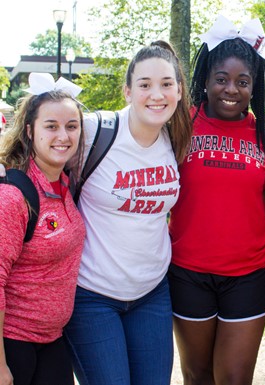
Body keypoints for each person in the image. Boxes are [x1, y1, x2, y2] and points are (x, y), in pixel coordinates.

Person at [63, 41, 192, 385]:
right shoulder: (94, 131)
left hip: (152, 293)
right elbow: (34, 140)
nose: (156, 94)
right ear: (127, 91)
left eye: (166, 84)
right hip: (92, 297)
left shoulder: (176, 136)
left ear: (179, 90)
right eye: (145, 85)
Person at [167, 16, 265, 385]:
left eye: (242, 82)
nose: (231, 89)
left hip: (250, 274)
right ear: (206, 80)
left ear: (254, 86)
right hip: (189, 272)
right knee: (197, 375)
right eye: (221, 79)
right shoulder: (180, 125)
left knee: (233, 377)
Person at [0, 73, 85, 385]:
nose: (63, 135)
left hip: (51, 341)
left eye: (71, 126)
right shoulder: (13, 196)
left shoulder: (65, 184)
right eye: (51, 126)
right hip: (12, 344)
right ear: (29, 131)